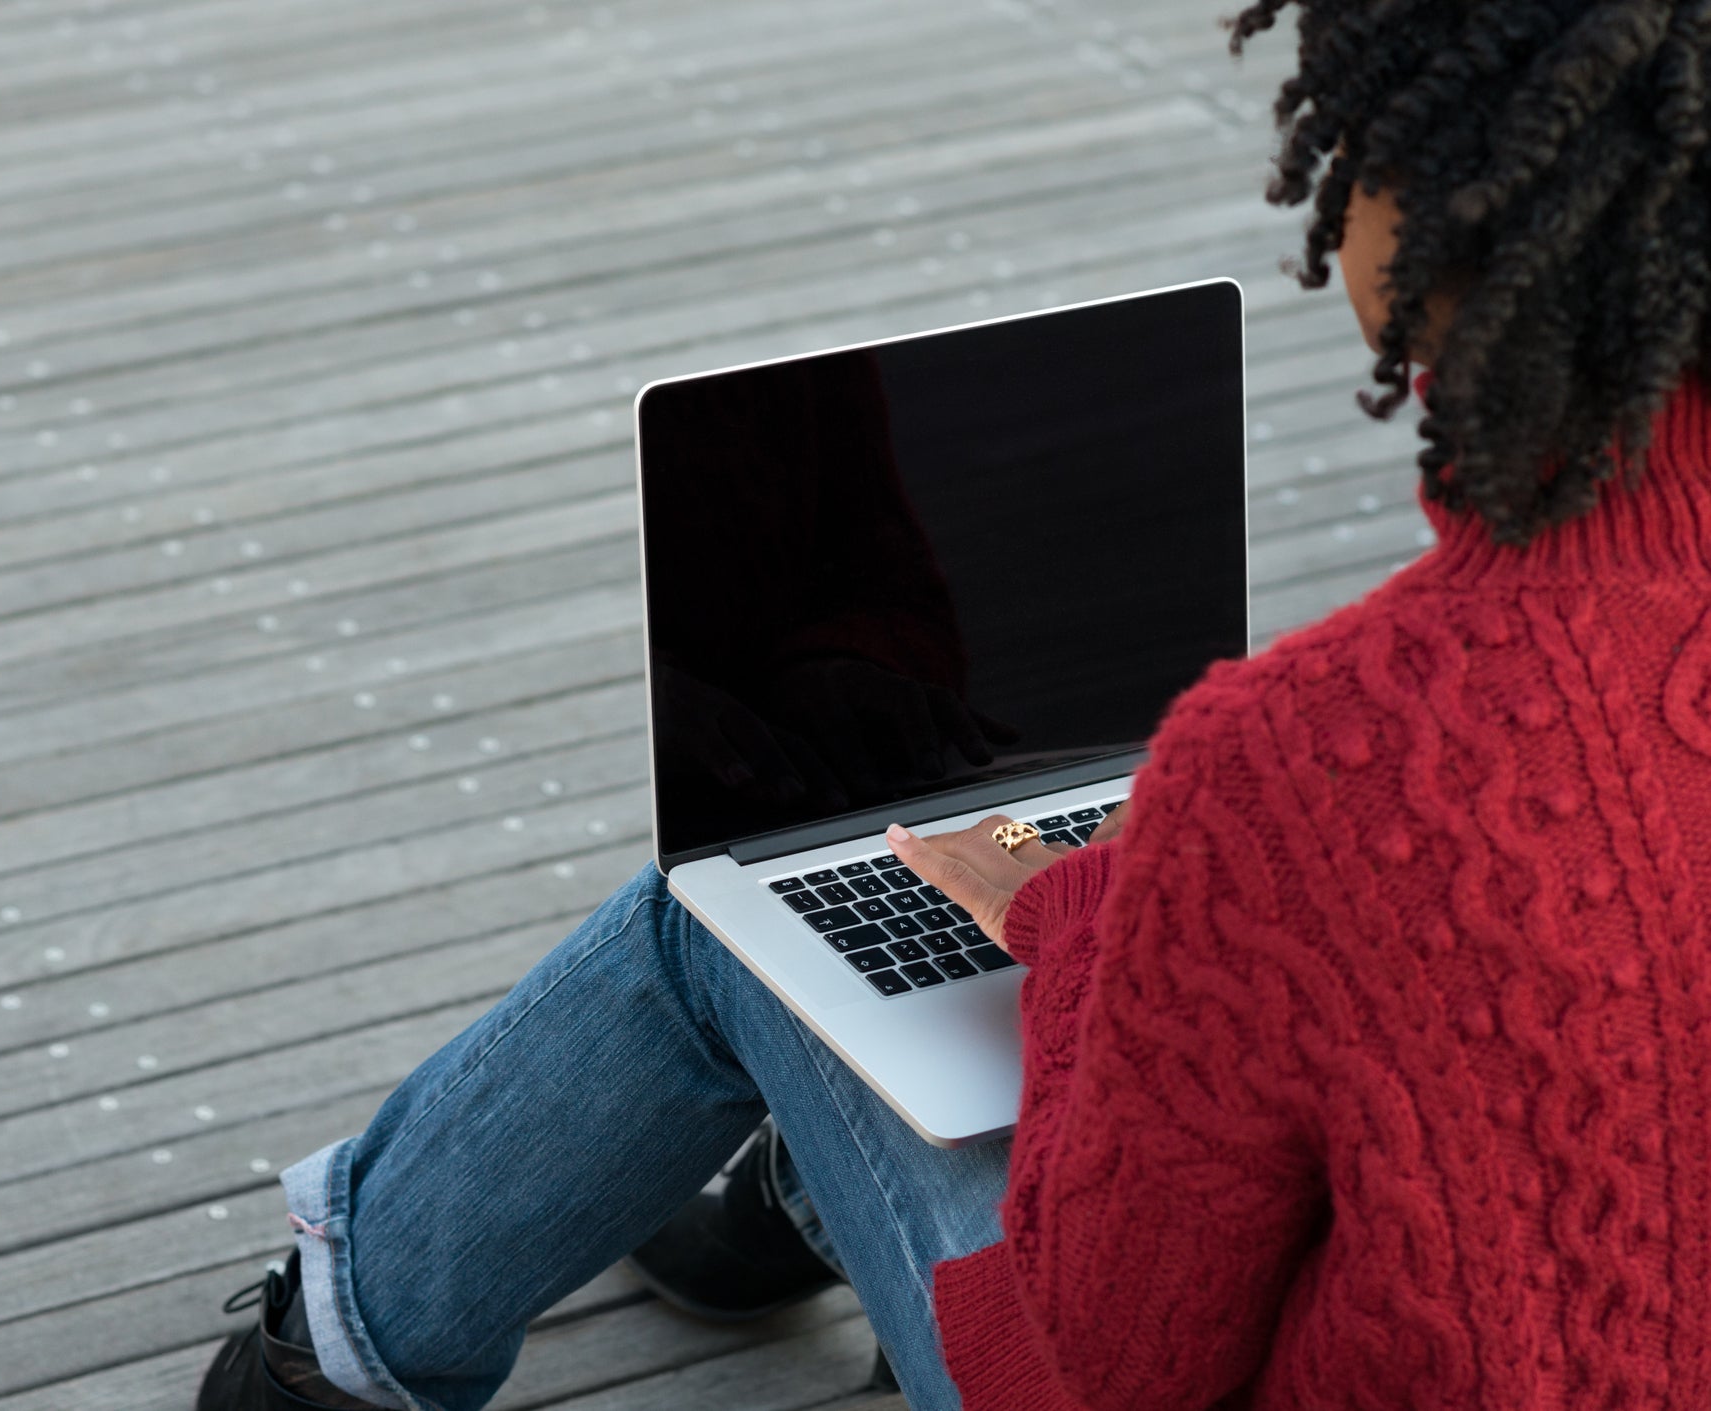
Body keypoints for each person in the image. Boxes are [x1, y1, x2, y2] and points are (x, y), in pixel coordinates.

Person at [198, 0, 1711, 1406]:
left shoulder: (1306, 761)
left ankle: (337, 1345)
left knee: (728, 919)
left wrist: (1094, 930)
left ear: (1418, 205)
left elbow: (1109, 1364)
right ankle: (790, 1200)